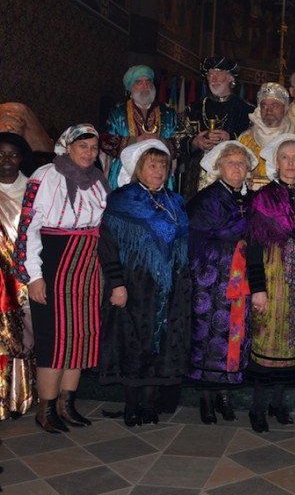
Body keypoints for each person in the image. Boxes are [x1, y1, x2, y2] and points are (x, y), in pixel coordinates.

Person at [13, 124, 109, 433]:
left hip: (87, 265)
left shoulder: (98, 179)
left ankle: (68, 406)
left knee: (80, 338)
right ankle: (47, 409)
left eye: (94, 148)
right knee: (55, 339)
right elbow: (29, 229)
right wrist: (35, 277)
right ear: (67, 147)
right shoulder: (46, 176)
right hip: (55, 262)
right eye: (83, 146)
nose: (89, 153)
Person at [98, 140, 191, 427]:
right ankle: (131, 406)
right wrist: (117, 284)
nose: (159, 170)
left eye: (163, 165)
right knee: (132, 344)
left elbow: (182, 246)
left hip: (167, 286)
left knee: (159, 346)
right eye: (152, 165)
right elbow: (108, 246)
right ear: (139, 168)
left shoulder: (175, 201)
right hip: (134, 284)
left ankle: (149, 406)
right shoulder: (123, 200)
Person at [246, 135, 295, 432]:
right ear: (276, 163)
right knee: (268, 341)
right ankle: (257, 407)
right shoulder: (262, 199)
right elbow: (252, 246)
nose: (291, 163)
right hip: (272, 277)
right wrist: (258, 288)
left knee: (292, 343)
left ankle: (279, 403)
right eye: (285, 158)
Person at [186, 141, 259, 424]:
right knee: (208, 335)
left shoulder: (252, 199)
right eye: (231, 162)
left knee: (235, 334)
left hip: (241, 279)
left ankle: (225, 394)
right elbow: (193, 238)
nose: (237, 168)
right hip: (211, 279)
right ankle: (206, 398)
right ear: (219, 167)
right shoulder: (207, 199)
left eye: (242, 163)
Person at [174, 57, 255, 200]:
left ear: (231, 78)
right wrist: (194, 142)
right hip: (196, 182)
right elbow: (177, 139)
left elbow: (255, 144)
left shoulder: (248, 111)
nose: (213, 78)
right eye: (210, 75)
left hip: (233, 182)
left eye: (219, 74)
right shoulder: (194, 109)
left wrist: (232, 139)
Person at [0, 132, 35, 419]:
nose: (6, 160)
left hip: (24, 275)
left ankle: (19, 397)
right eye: (0, 154)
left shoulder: (34, 190)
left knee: (22, 334)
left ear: (22, 158)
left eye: (12, 155)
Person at [100, 65, 178, 190]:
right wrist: (135, 140)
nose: (145, 86)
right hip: (124, 176)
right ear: (130, 88)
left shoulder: (168, 112)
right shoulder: (118, 112)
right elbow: (105, 141)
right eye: (139, 82)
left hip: (159, 176)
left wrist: (161, 141)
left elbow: (180, 142)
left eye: (148, 82)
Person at [239, 82, 295, 190]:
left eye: (274, 106)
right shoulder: (245, 140)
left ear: (285, 109)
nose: (269, 111)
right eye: (264, 106)